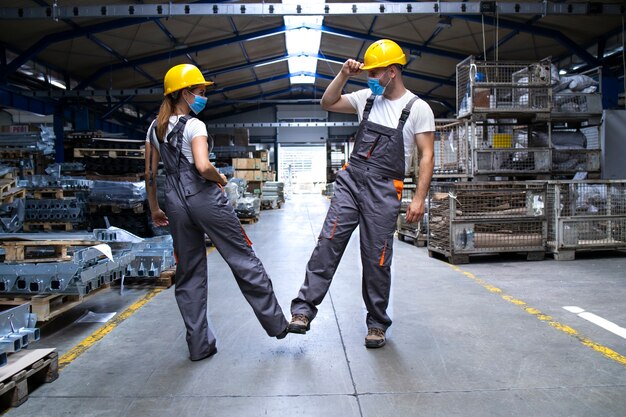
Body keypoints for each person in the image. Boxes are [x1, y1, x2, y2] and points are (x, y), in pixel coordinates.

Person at [288, 39, 435, 348]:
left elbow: (426, 156)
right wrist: (342, 74)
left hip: (384, 190)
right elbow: (327, 103)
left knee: (377, 258)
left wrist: (419, 198)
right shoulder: (366, 97)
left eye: (375, 72)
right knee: (327, 243)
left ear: (392, 72)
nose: (370, 78)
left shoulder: (418, 108)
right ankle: (302, 311)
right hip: (351, 183)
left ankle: (377, 323)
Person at [145, 64, 288, 361]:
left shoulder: (154, 129)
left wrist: (155, 208)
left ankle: (199, 346)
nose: (202, 97)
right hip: (203, 196)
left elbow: (149, 175)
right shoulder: (195, 126)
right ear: (184, 93)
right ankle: (276, 323)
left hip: (174, 201)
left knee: (189, 272)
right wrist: (221, 180)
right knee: (242, 257)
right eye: (200, 92)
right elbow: (202, 166)